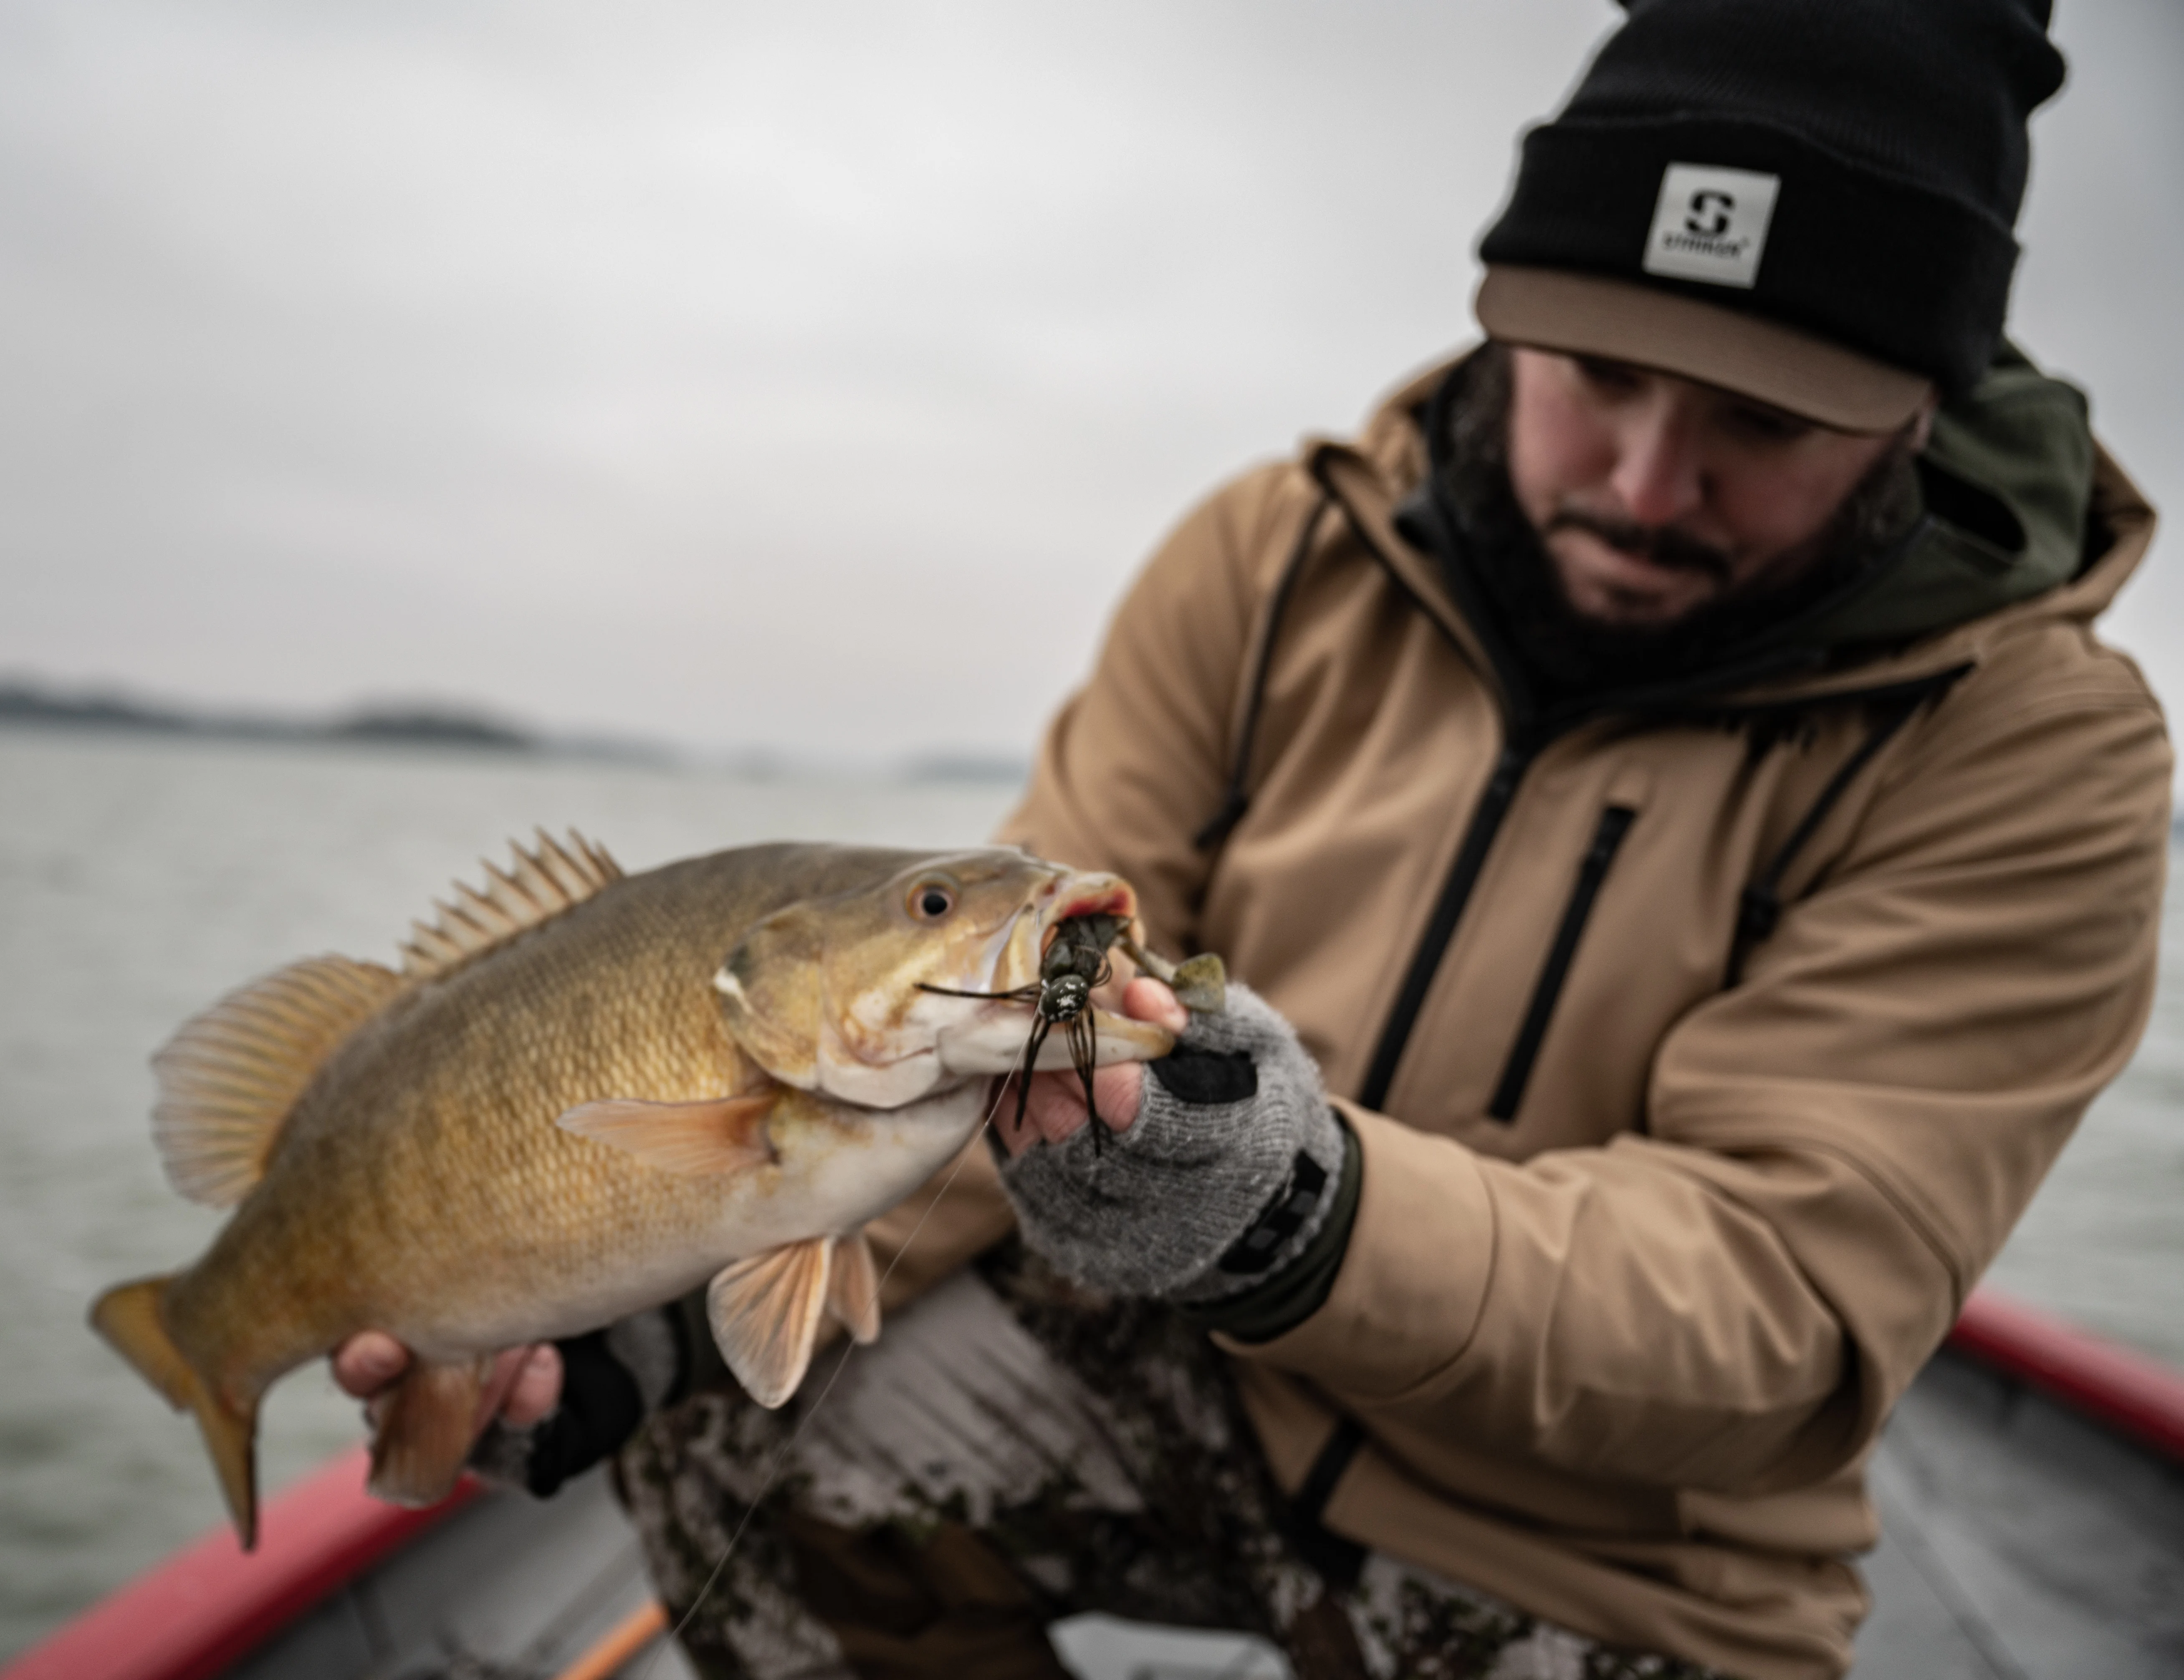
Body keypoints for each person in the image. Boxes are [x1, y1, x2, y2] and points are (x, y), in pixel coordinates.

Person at [336, 1, 2169, 1674]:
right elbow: (968, 1063)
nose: (1642, 480)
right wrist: (644, 1307)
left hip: (1621, 1549)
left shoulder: (2039, 755)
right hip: (1188, 1388)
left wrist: (1304, 1207)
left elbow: (1771, 1306)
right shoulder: (1271, 560)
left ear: (1919, 411)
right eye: (1597, 371)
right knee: (734, 1424)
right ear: (1506, 316)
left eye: (1761, 421)